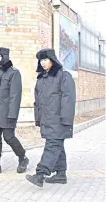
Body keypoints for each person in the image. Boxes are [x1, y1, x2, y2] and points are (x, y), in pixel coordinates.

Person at [26, 48, 76, 187]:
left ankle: (40, 174)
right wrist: (38, 119)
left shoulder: (63, 76)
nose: (43, 63)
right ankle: (60, 174)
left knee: (52, 146)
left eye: (45, 59)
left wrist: (66, 120)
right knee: (57, 146)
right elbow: (38, 102)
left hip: (59, 120)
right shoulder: (41, 79)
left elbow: (68, 99)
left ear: (53, 60)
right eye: (41, 60)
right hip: (47, 120)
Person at [0, 47, 29, 174]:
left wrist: (12, 114)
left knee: (9, 137)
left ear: (5, 57)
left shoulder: (14, 73)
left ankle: (23, 158)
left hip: (6, 114)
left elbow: (15, 96)